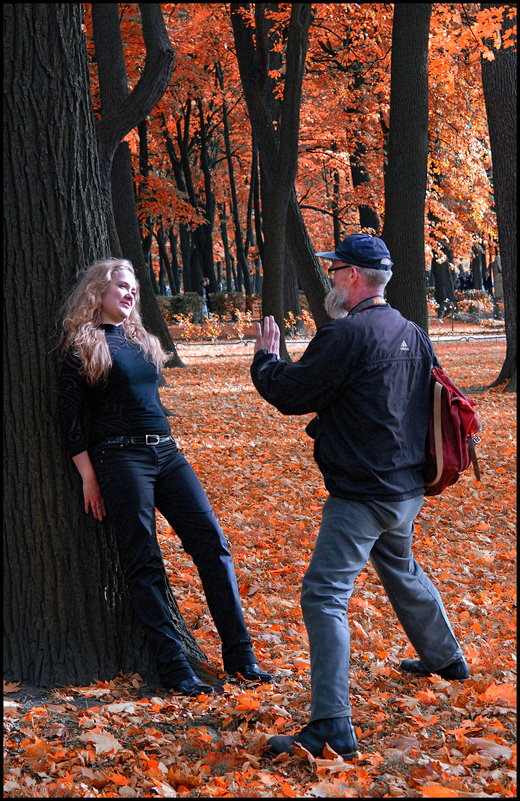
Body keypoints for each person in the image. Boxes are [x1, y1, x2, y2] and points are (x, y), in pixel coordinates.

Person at [250, 233, 469, 760]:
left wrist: (264, 360)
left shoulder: (345, 335)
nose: (330, 278)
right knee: (402, 569)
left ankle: (331, 725)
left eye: (334, 270)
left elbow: (291, 393)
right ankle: (446, 660)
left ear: (352, 276)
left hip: (363, 495)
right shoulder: (411, 331)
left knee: (323, 595)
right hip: (405, 490)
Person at [57, 257, 272, 696]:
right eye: (121, 285)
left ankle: (241, 657)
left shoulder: (142, 340)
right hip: (120, 460)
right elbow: (67, 420)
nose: (130, 293)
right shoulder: (83, 344)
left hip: (168, 454)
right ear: (98, 291)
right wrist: (88, 477)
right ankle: (175, 669)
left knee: (213, 546)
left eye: (133, 287)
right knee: (145, 562)